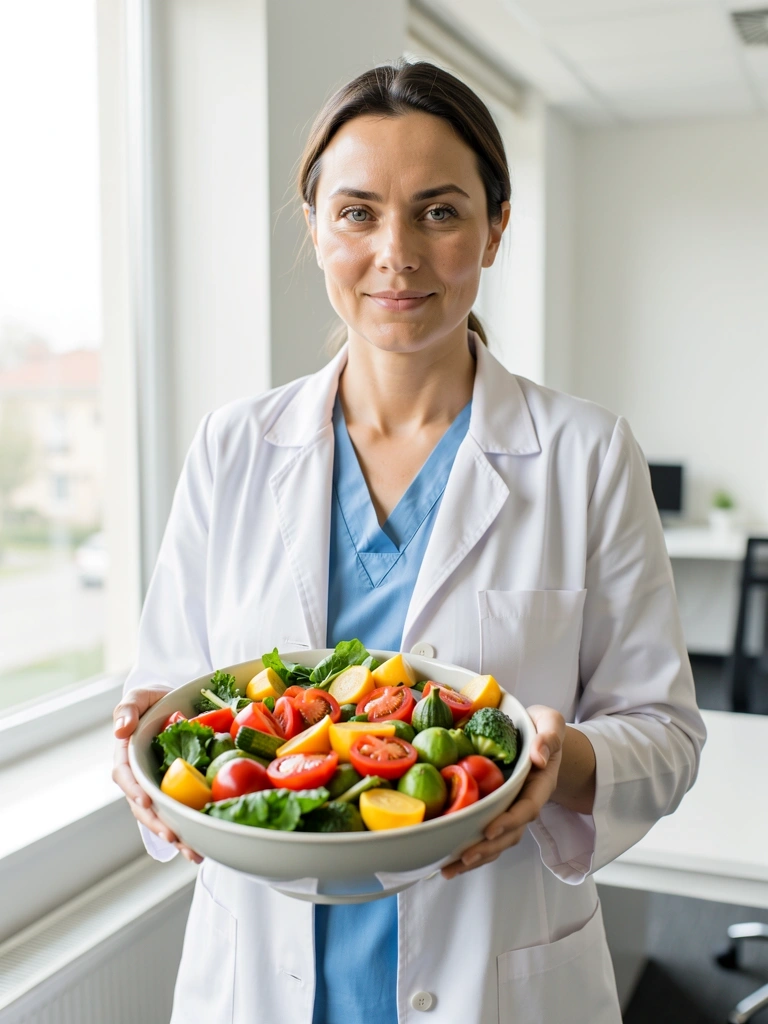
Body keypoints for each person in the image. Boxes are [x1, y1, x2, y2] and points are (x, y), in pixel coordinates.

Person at [112, 60, 706, 1024]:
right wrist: (146, 755)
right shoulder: (232, 448)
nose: (397, 254)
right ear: (315, 227)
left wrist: (559, 760)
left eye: (439, 212)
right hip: (260, 974)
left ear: (495, 228)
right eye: (358, 213)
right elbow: (175, 703)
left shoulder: (587, 454)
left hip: (495, 970)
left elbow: (666, 736)